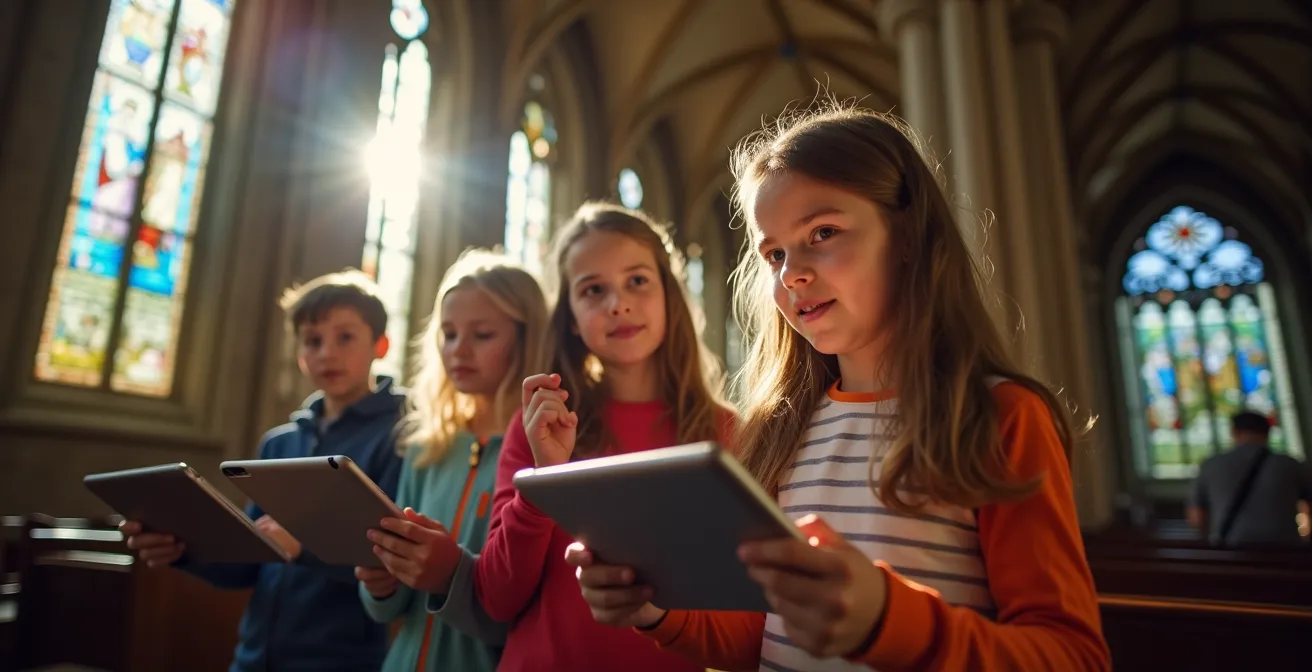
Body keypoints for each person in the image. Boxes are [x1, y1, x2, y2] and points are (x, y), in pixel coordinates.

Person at [567, 104, 1112, 671]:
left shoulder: (997, 417)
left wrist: (888, 621)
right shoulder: (779, 429)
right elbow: (760, 634)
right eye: (775, 254)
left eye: (822, 233)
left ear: (907, 235)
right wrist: (657, 609)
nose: (791, 273)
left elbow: (1073, 656)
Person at [419, 203, 734, 671]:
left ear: (669, 294)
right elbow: (497, 598)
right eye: (593, 290)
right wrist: (545, 478)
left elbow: (738, 614)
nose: (618, 304)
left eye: (637, 280)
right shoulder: (541, 426)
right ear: (570, 317)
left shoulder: (727, 433)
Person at [121, 270, 405, 672]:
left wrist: (302, 548)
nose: (326, 353)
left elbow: (389, 559)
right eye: (312, 341)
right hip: (254, 658)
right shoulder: (278, 444)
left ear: (381, 345)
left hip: (341, 661)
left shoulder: (398, 437)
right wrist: (182, 550)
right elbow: (250, 563)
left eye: (345, 338)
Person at [357, 250, 550, 671]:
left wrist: (451, 574)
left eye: (482, 335)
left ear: (527, 338)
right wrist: (383, 583)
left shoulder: (545, 454)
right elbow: (389, 609)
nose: (458, 350)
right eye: (448, 334)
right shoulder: (428, 446)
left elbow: (532, 610)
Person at [1188, 411, 1312, 547]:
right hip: (1284, 549)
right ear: (1268, 432)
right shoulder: (1291, 465)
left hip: (1230, 549)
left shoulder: (1211, 465)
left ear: (1234, 432)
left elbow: (1197, 517)